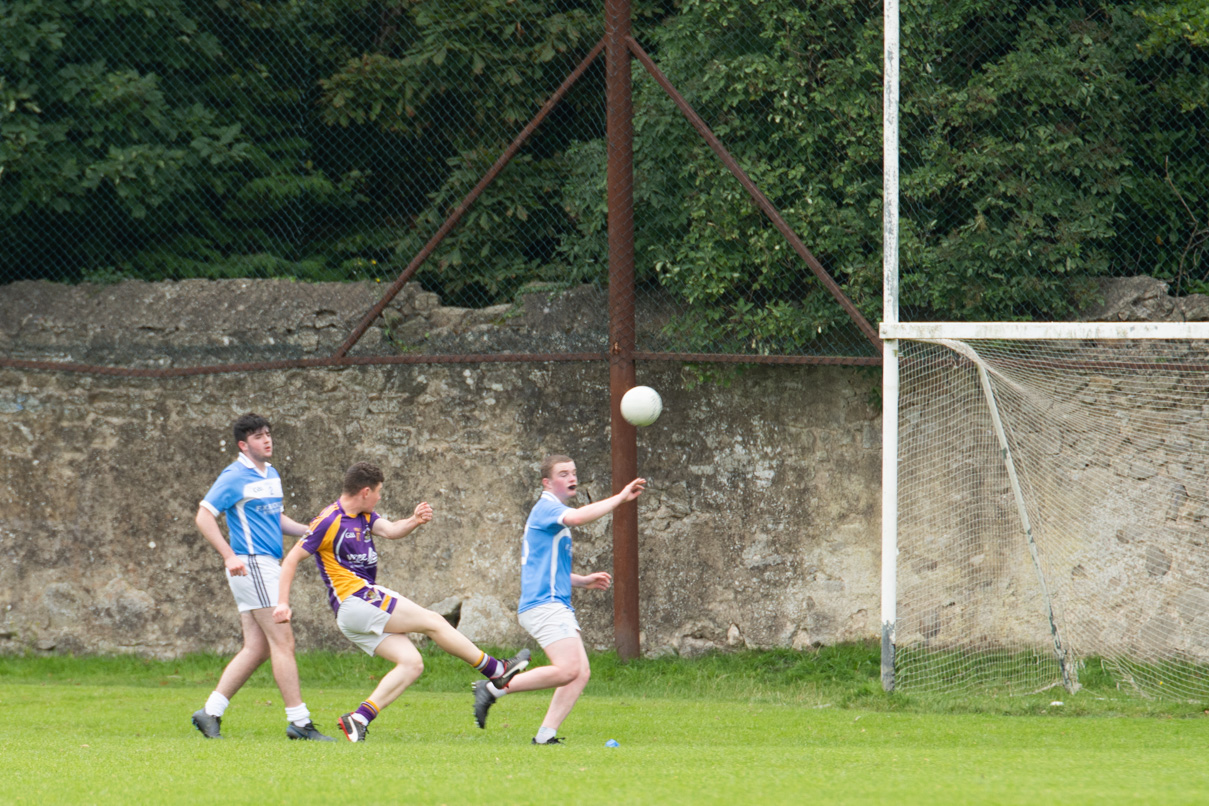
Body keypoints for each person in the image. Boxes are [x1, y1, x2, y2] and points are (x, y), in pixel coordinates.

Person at [274, 461, 531, 742]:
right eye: (378, 492)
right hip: (357, 599)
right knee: (433, 621)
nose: (380, 497)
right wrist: (283, 603)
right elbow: (291, 560)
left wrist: (414, 520)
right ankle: (495, 670)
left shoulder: (364, 515)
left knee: (412, 663)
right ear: (365, 491)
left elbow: (391, 530)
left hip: (356, 611)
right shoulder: (328, 520)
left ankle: (359, 718)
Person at [471, 454, 645, 744]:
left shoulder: (551, 513)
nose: (571, 478)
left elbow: (544, 566)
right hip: (544, 605)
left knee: (580, 673)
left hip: (553, 602)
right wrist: (620, 498)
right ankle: (492, 688)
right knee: (568, 669)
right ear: (547, 483)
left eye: (573, 472)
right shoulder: (546, 508)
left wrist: (582, 581)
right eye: (563, 474)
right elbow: (577, 518)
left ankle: (544, 736)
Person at [191, 413, 333, 741]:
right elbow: (203, 516)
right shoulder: (233, 476)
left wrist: (310, 531)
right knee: (284, 641)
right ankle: (299, 723)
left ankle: (209, 712)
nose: (266, 440)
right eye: (257, 436)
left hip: (266, 565)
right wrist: (229, 556)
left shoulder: (271, 473)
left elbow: (276, 518)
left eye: (268, 433)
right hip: (251, 565)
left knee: (257, 647)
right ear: (244, 445)